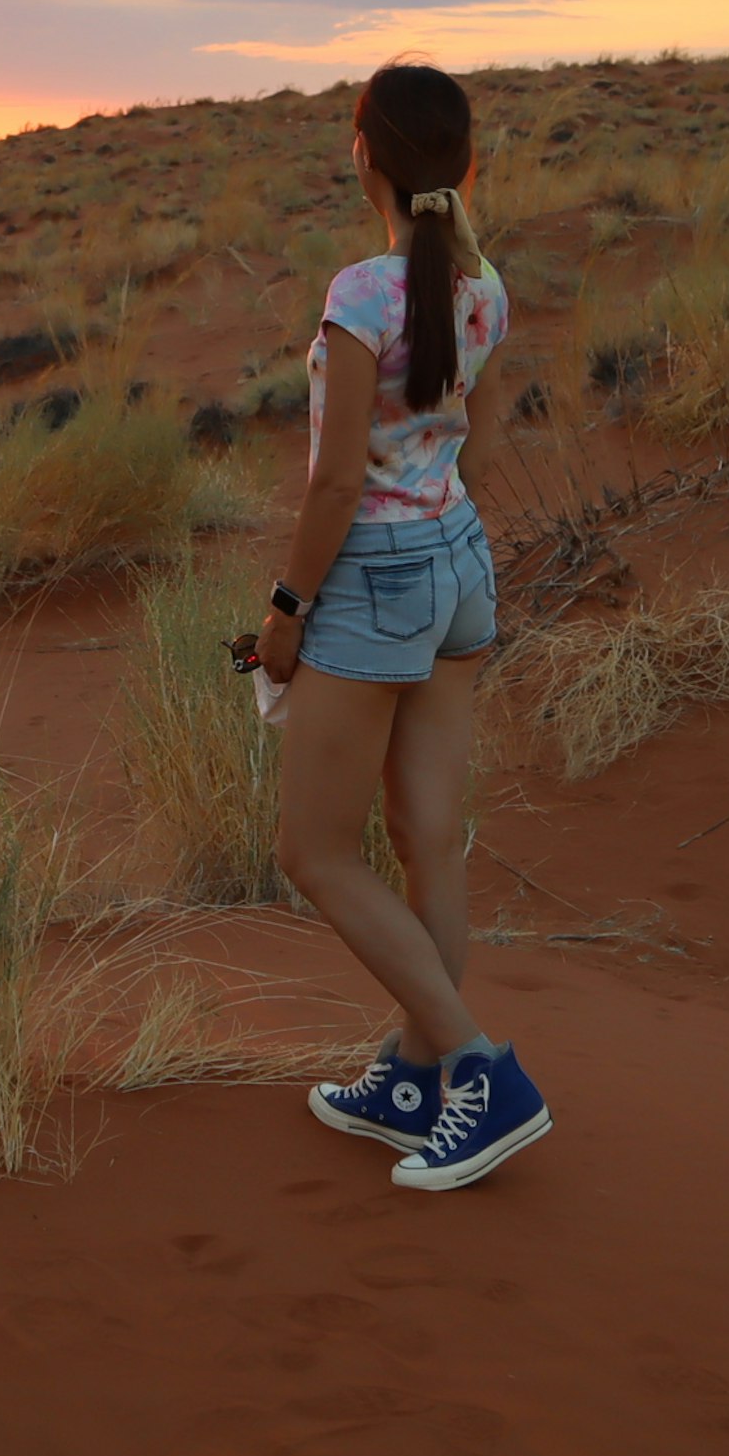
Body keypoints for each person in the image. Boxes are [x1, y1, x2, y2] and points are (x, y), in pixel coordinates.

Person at [252, 61, 554, 1190]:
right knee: (431, 836)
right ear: (465, 163)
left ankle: (479, 1069)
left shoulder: (359, 294)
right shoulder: (486, 287)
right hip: (460, 563)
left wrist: (285, 611)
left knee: (314, 852)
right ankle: (423, 1078)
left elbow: (335, 486)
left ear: (361, 152)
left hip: (375, 578)